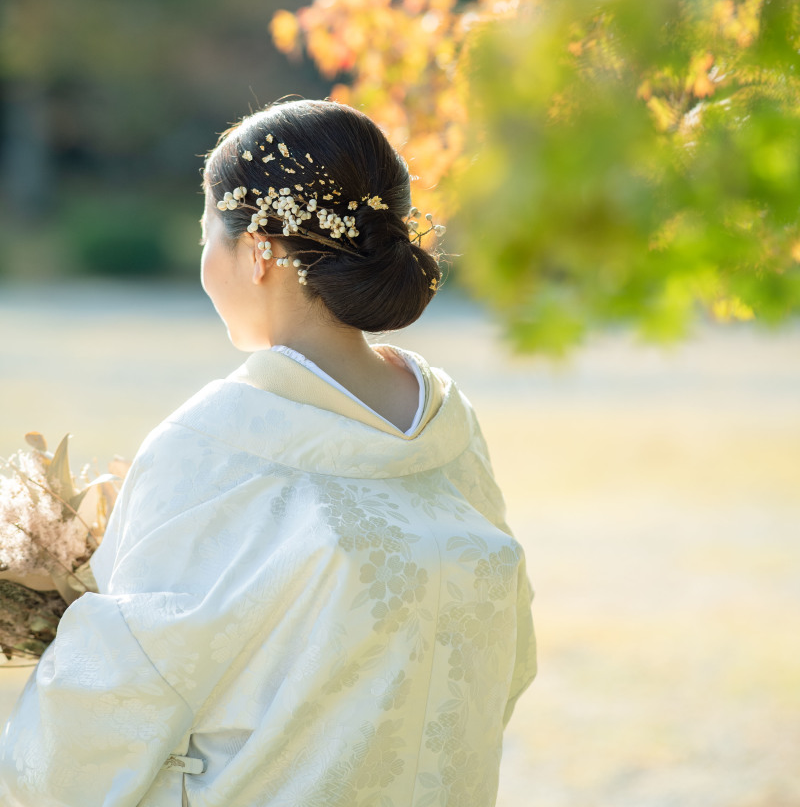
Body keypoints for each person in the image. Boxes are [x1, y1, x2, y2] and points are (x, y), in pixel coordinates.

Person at [0, 97, 536, 807]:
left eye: (205, 235)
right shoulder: (447, 423)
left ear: (257, 251)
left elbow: (114, 698)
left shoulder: (213, 440)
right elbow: (503, 655)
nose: (203, 260)